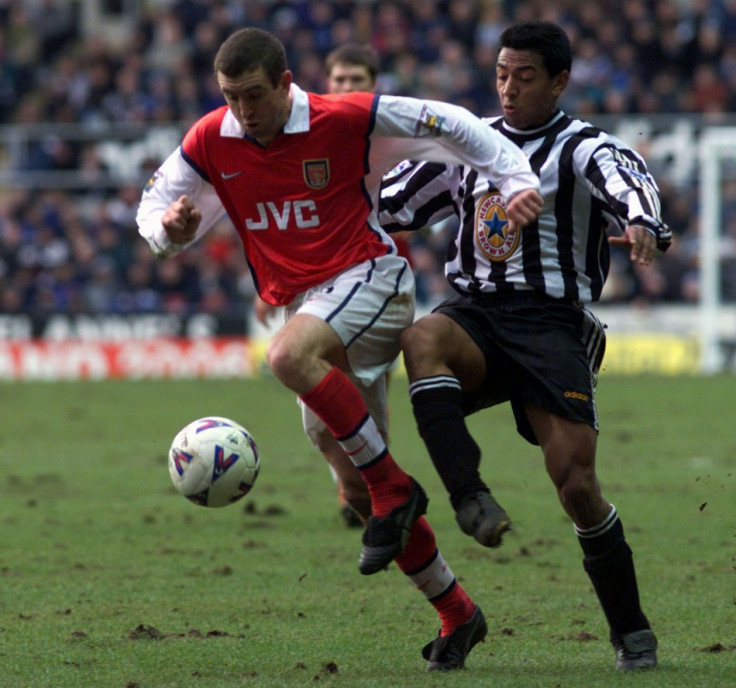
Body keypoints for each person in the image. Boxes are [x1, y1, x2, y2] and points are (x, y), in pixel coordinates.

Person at [136, 27, 543, 671]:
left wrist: (515, 177)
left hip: (370, 277)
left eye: (253, 96)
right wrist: (169, 230)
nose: (242, 111)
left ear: (285, 82)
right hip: (312, 307)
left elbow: (453, 121)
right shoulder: (212, 138)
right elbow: (155, 205)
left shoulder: (344, 118)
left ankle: (398, 490)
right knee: (353, 486)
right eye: (230, 97)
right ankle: (457, 612)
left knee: (287, 359)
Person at [379, 21, 669, 671]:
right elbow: (388, 202)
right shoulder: (468, 145)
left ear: (560, 81)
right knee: (422, 337)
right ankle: (469, 496)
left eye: (525, 77)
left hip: (550, 327)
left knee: (576, 486)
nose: (508, 89)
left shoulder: (584, 147)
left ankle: (631, 629)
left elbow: (629, 184)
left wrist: (645, 221)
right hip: (475, 316)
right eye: (502, 75)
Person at [254, 41, 402, 530]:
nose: (345, 89)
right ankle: (360, 483)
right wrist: (271, 283)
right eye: (337, 81)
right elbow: (283, 216)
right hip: (315, 284)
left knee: (355, 390)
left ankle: (367, 485)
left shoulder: (386, 140)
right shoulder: (315, 139)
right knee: (320, 409)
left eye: (355, 82)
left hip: (372, 278)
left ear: (373, 88)